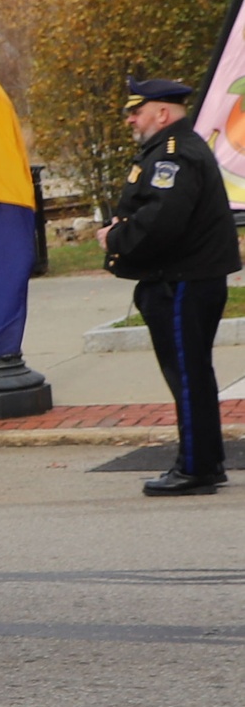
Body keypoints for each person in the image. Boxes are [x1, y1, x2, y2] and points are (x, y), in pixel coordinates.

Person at [101, 77, 241, 497]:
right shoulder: (171, 149)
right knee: (191, 373)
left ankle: (196, 469)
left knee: (188, 376)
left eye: (136, 110)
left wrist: (114, 238)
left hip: (182, 282)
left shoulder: (174, 155)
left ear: (162, 113)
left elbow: (162, 221)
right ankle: (205, 462)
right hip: (182, 279)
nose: (130, 119)